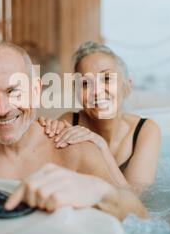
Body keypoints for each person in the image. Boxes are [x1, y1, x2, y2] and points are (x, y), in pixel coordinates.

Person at [0, 42, 147, 220]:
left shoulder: (73, 148)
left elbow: (140, 217)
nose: (2, 109)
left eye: (13, 91)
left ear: (35, 90)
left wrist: (99, 190)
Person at [39, 41, 161, 195]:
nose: (96, 91)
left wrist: (101, 147)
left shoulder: (145, 131)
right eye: (85, 83)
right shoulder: (70, 122)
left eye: (107, 79)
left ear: (127, 87)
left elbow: (135, 204)